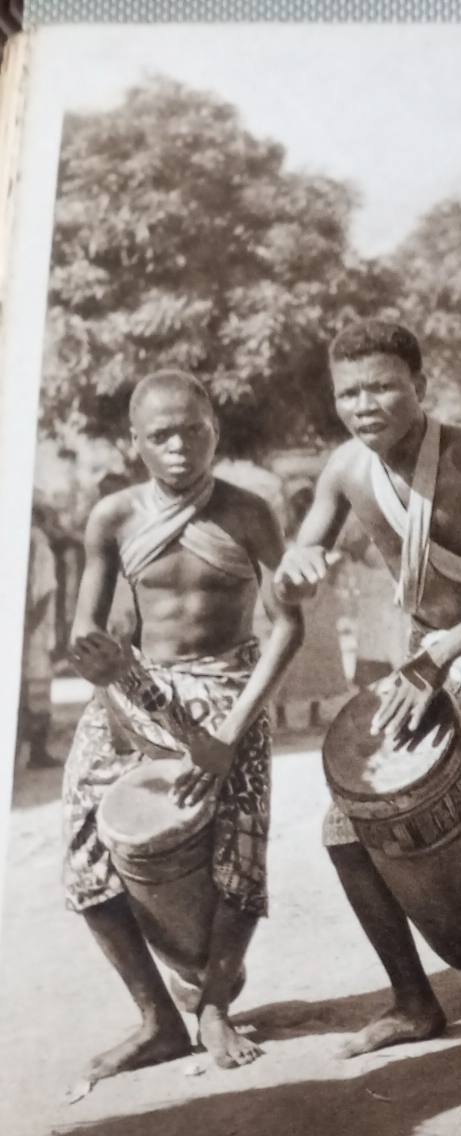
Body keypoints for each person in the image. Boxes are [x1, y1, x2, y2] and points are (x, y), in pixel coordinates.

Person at [275, 320, 461, 1061]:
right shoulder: (346, 468)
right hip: (426, 657)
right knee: (346, 831)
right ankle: (413, 1000)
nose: (365, 404)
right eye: (350, 392)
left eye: (381, 386)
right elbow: (302, 547)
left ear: (421, 387)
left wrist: (445, 649)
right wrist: (297, 566)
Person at [62, 370, 303, 1085]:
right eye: (160, 435)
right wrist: (109, 676)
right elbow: (86, 628)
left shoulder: (250, 511)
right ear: (134, 442)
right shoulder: (112, 517)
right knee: (84, 853)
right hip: (136, 691)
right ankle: (156, 1020)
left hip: (231, 691)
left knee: (241, 849)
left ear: (215, 433)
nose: (178, 447)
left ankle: (214, 1008)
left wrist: (231, 732)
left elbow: (290, 628)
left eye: (192, 430)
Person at [18, 506, 60, 771]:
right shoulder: (36, 541)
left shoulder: (37, 542)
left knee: (34, 688)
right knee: (34, 689)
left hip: (32, 627)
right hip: (30, 628)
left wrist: (30, 625)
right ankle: (34, 751)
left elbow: (44, 592)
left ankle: (36, 750)